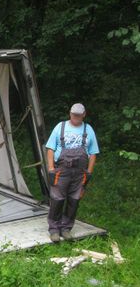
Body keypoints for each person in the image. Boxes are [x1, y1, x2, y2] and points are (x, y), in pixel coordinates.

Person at [45, 103, 99, 242]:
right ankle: (54, 229)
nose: (76, 117)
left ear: (84, 114)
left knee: (74, 200)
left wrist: (89, 172)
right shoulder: (60, 127)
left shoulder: (88, 129)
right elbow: (50, 148)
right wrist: (51, 168)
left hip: (80, 172)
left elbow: (93, 154)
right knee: (57, 199)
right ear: (70, 113)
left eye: (79, 115)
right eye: (74, 114)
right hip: (61, 171)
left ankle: (66, 228)